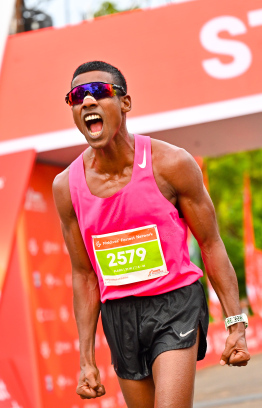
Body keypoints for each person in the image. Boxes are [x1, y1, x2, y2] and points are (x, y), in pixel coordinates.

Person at [53, 61, 250, 408]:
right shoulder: (66, 187)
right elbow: (84, 275)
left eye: (99, 92)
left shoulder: (170, 164)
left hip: (174, 303)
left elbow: (210, 243)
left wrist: (235, 323)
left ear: (125, 103)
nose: (86, 102)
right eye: (76, 97)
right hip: (119, 315)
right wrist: (86, 359)